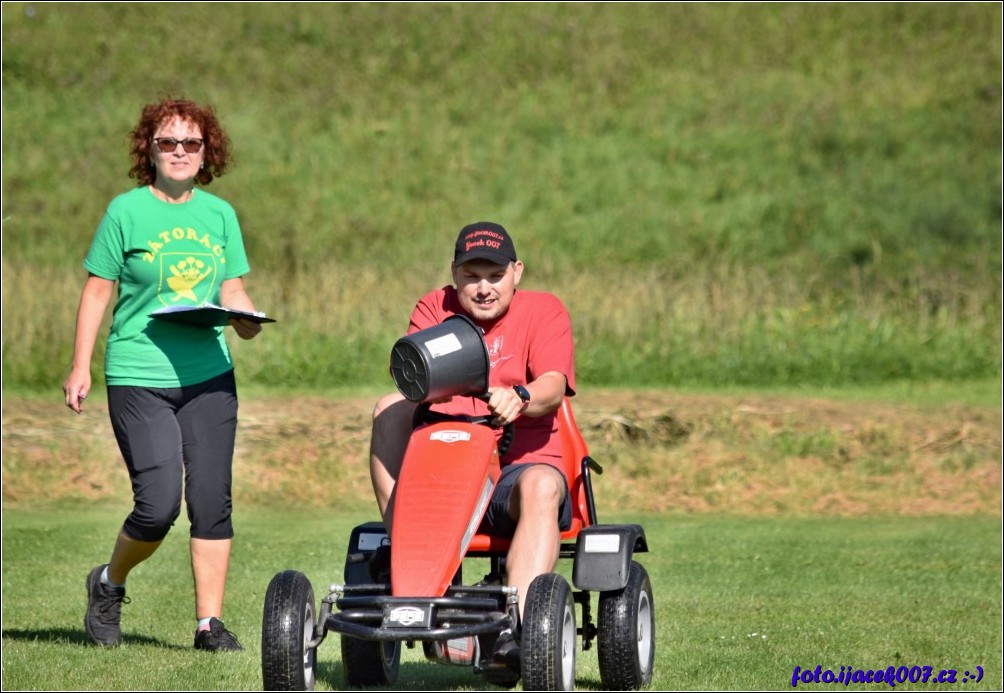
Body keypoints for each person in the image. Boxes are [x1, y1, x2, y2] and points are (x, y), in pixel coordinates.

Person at [62, 98, 263, 651]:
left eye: (191, 144)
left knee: (210, 498)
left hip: (209, 376)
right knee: (156, 505)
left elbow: (232, 288)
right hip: (138, 372)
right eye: (168, 142)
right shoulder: (125, 211)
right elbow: (98, 289)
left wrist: (245, 318)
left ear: (206, 152)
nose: (179, 152)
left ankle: (208, 626)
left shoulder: (219, 215)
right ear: (148, 149)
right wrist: (80, 365)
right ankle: (108, 583)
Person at [368, 221, 576, 661]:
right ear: (455, 274)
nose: (483, 288)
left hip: (517, 472)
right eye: (471, 276)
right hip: (444, 468)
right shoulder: (435, 308)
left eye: (494, 276)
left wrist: (519, 396)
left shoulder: (544, 311)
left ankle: (513, 632)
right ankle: (414, 573)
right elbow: (410, 374)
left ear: (516, 272)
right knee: (389, 406)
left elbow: (554, 386)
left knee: (541, 484)